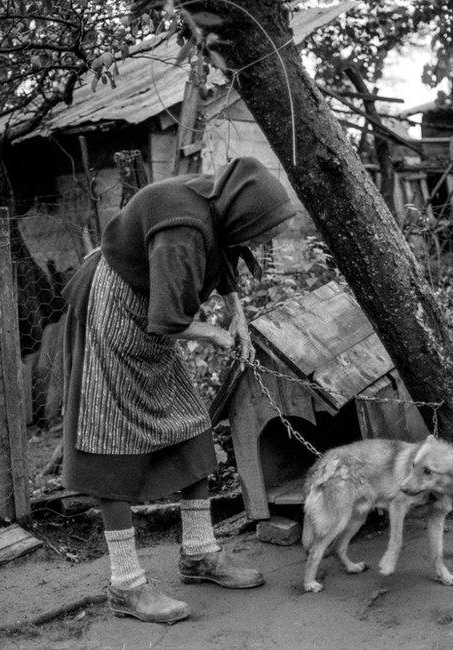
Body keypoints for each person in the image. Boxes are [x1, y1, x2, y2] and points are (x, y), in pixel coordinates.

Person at [61, 157, 296, 623]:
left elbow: (222, 259)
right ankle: (125, 585)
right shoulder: (181, 232)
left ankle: (199, 553)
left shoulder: (214, 206)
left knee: (191, 423)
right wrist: (215, 334)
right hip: (114, 311)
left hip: (151, 315)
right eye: (263, 230)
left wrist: (239, 316)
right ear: (243, 213)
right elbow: (169, 321)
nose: (265, 239)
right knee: (111, 438)